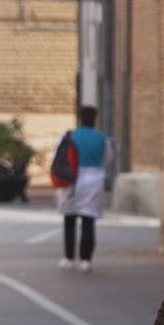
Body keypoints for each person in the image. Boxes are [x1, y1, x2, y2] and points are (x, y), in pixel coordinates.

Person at [56, 105, 112, 272]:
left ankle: (69, 258)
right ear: (94, 119)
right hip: (94, 180)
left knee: (69, 220)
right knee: (88, 221)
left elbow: (57, 156)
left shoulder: (69, 136)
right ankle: (86, 260)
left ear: (79, 118)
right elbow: (108, 158)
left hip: (71, 180)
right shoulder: (102, 138)